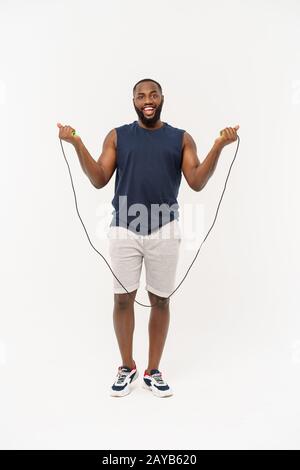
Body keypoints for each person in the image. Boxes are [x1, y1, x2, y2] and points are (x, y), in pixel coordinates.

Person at [57, 78, 239, 398]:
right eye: (141, 96)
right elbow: (99, 178)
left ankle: (153, 370)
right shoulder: (118, 136)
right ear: (134, 102)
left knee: (160, 300)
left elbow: (196, 181)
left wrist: (218, 147)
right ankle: (126, 366)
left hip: (165, 230)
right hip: (124, 228)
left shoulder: (180, 138)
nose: (147, 99)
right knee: (122, 299)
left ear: (162, 98)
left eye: (153, 94)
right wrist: (76, 142)